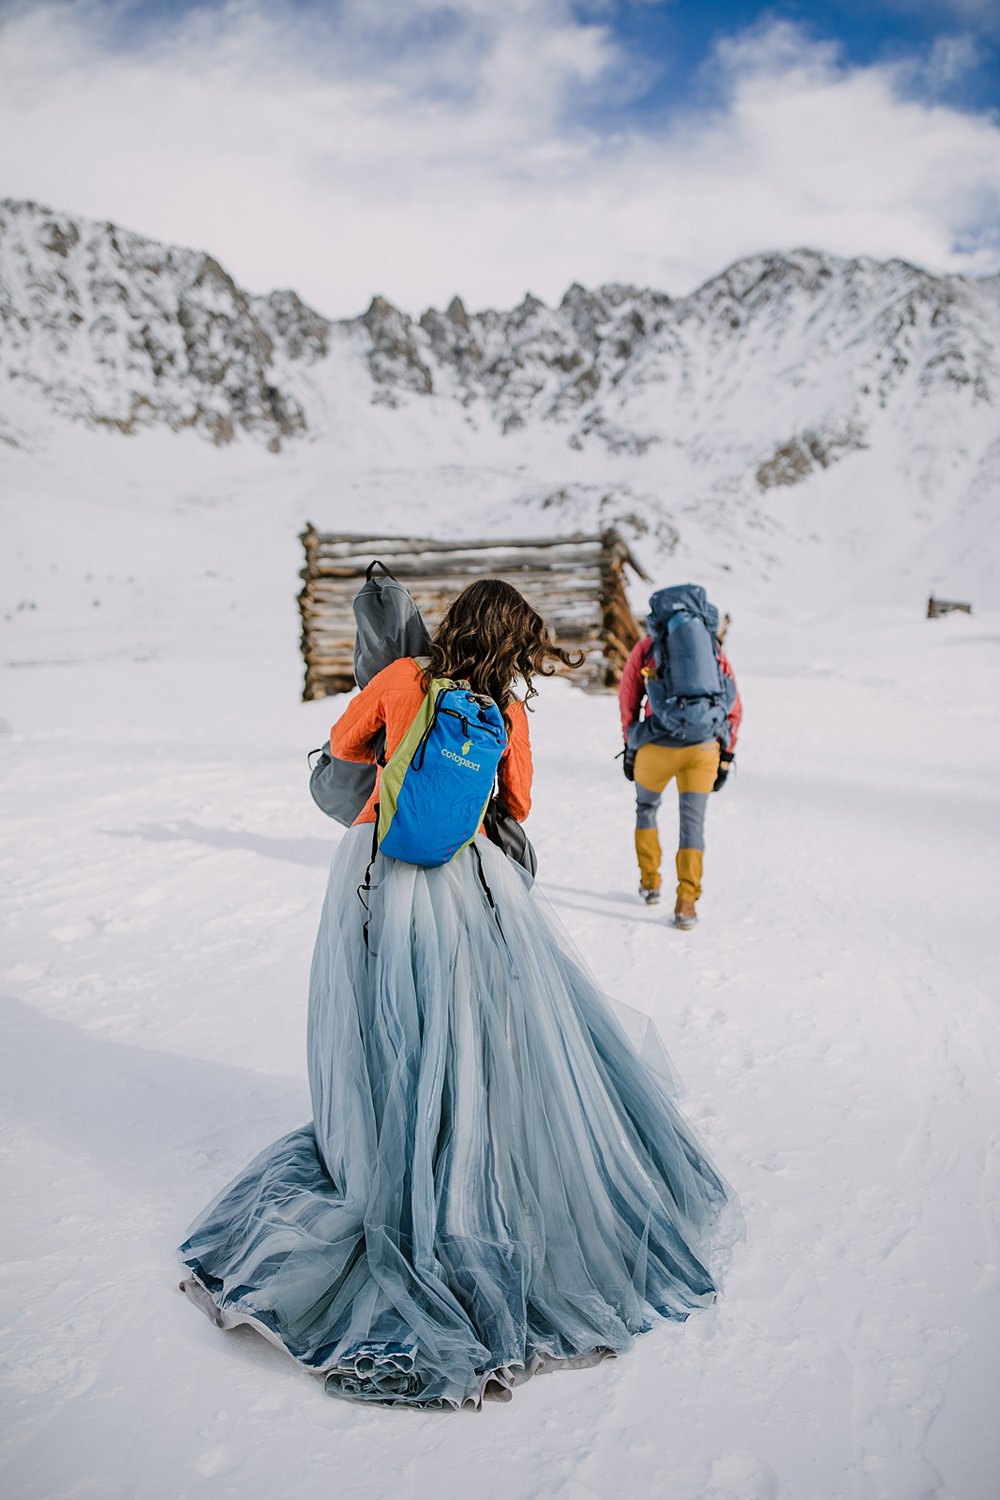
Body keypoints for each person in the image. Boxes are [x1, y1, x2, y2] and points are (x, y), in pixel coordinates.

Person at [179, 579, 731, 1408]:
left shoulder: (402, 678)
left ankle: (389, 1150)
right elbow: (516, 805)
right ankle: (463, 1155)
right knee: (466, 1030)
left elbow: (340, 749)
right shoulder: (506, 712)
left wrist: (398, 752)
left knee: (388, 1024)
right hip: (464, 886)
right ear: (512, 646)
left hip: (374, 877)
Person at [619, 589, 741, 929]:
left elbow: (628, 699)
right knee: (693, 824)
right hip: (702, 750)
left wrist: (630, 745)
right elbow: (733, 706)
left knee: (646, 810)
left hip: (654, 748)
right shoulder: (712, 650)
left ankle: (650, 882)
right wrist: (727, 755)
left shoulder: (647, 649)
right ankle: (686, 901)